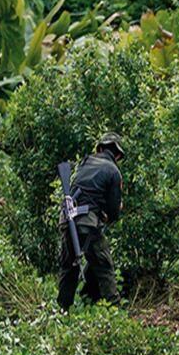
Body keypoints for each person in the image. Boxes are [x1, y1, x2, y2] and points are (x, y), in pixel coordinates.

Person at [57, 132, 124, 310]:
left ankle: (62, 313)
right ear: (117, 155)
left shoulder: (84, 163)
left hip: (67, 220)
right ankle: (116, 313)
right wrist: (111, 213)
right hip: (87, 223)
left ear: (100, 148)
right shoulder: (114, 171)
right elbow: (114, 211)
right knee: (104, 267)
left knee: (68, 270)